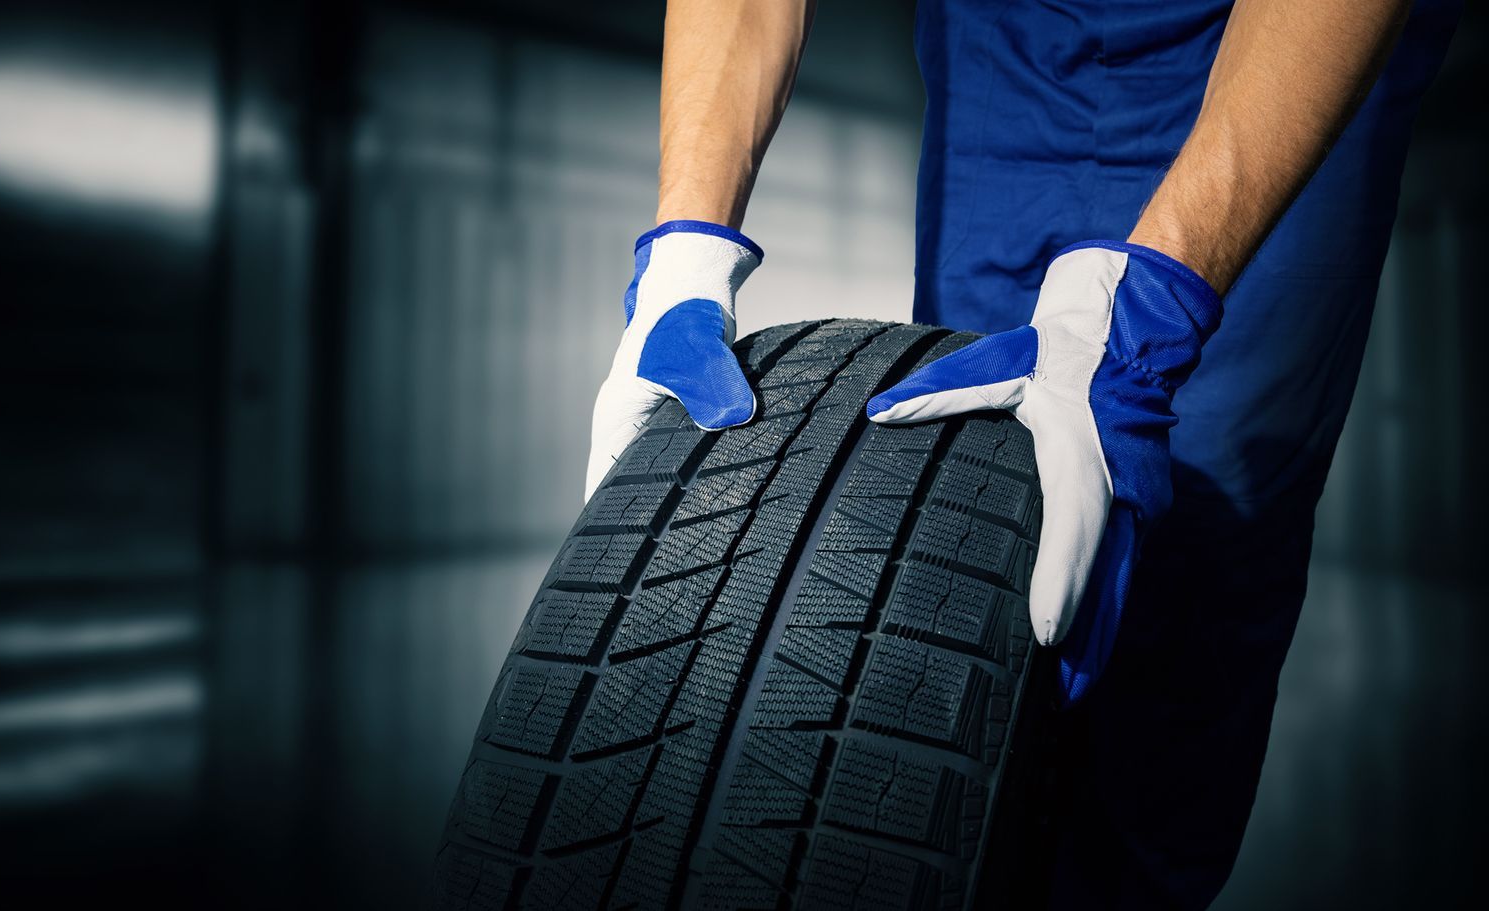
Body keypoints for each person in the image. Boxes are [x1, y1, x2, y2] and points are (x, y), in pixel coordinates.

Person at [583, 0, 1461, 906]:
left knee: (1180, 565)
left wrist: (1152, 309)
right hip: (1008, 42)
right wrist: (685, 249)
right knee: (969, 529)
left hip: (1266, 41)